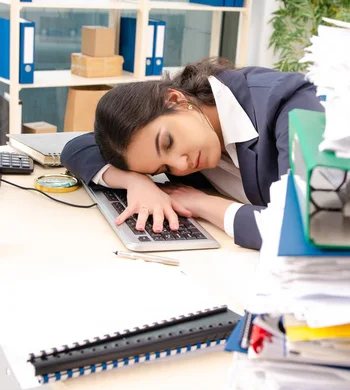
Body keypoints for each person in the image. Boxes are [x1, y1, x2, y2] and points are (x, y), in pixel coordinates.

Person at [61, 58, 323, 250]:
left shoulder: (290, 105)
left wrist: (202, 204)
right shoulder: (193, 128)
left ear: (174, 99)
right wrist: (136, 181)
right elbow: (77, 147)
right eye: (163, 170)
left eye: (168, 143)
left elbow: (305, 228)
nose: (180, 165)